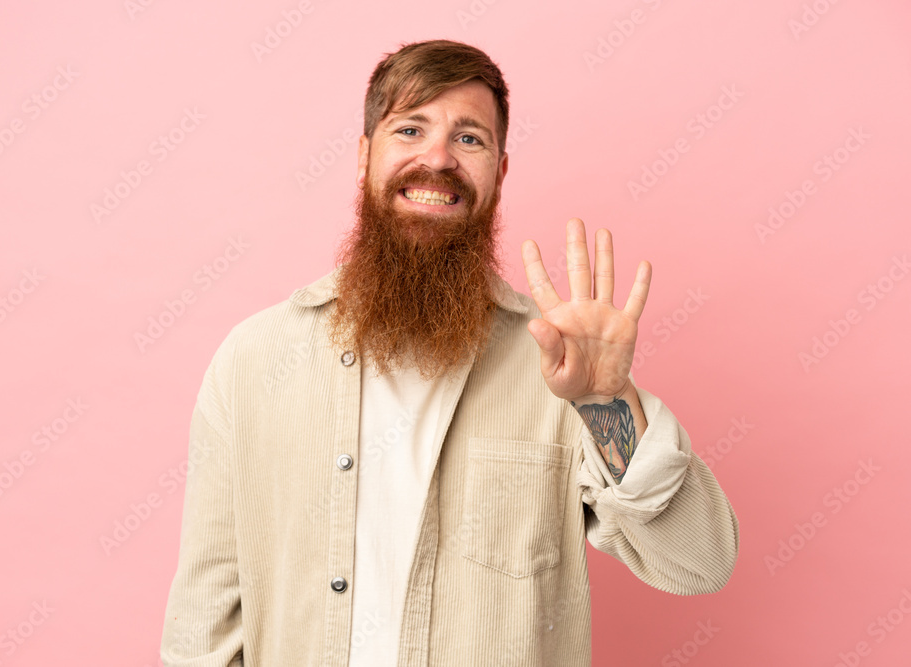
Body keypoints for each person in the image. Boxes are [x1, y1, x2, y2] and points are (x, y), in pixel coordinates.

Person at [160, 39, 739, 667]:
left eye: (470, 139)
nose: (438, 158)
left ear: (500, 170)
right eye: (410, 129)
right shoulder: (254, 361)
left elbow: (700, 562)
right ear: (364, 156)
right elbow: (203, 627)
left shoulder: (558, 367)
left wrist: (608, 403)